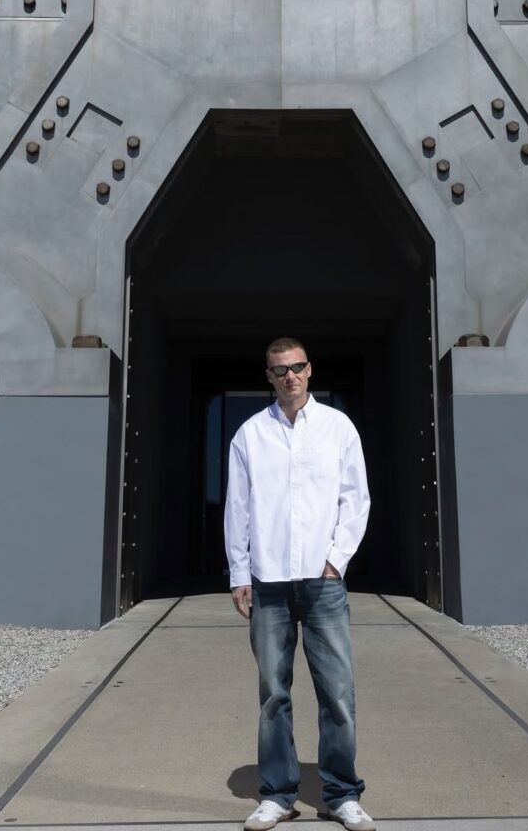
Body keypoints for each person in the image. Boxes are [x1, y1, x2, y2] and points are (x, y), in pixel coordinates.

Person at [224, 337, 374, 831]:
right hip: (268, 583)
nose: (289, 376)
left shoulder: (337, 428)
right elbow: (238, 508)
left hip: (322, 581)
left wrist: (335, 561)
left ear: (310, 370)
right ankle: (278, 795)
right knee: (273, 694)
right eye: (279, 369)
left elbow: (356, 498)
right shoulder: (250, 435)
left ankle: (342, 794)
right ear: (268, 376)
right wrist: (240, 573)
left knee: (338, 692)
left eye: (297, 367)